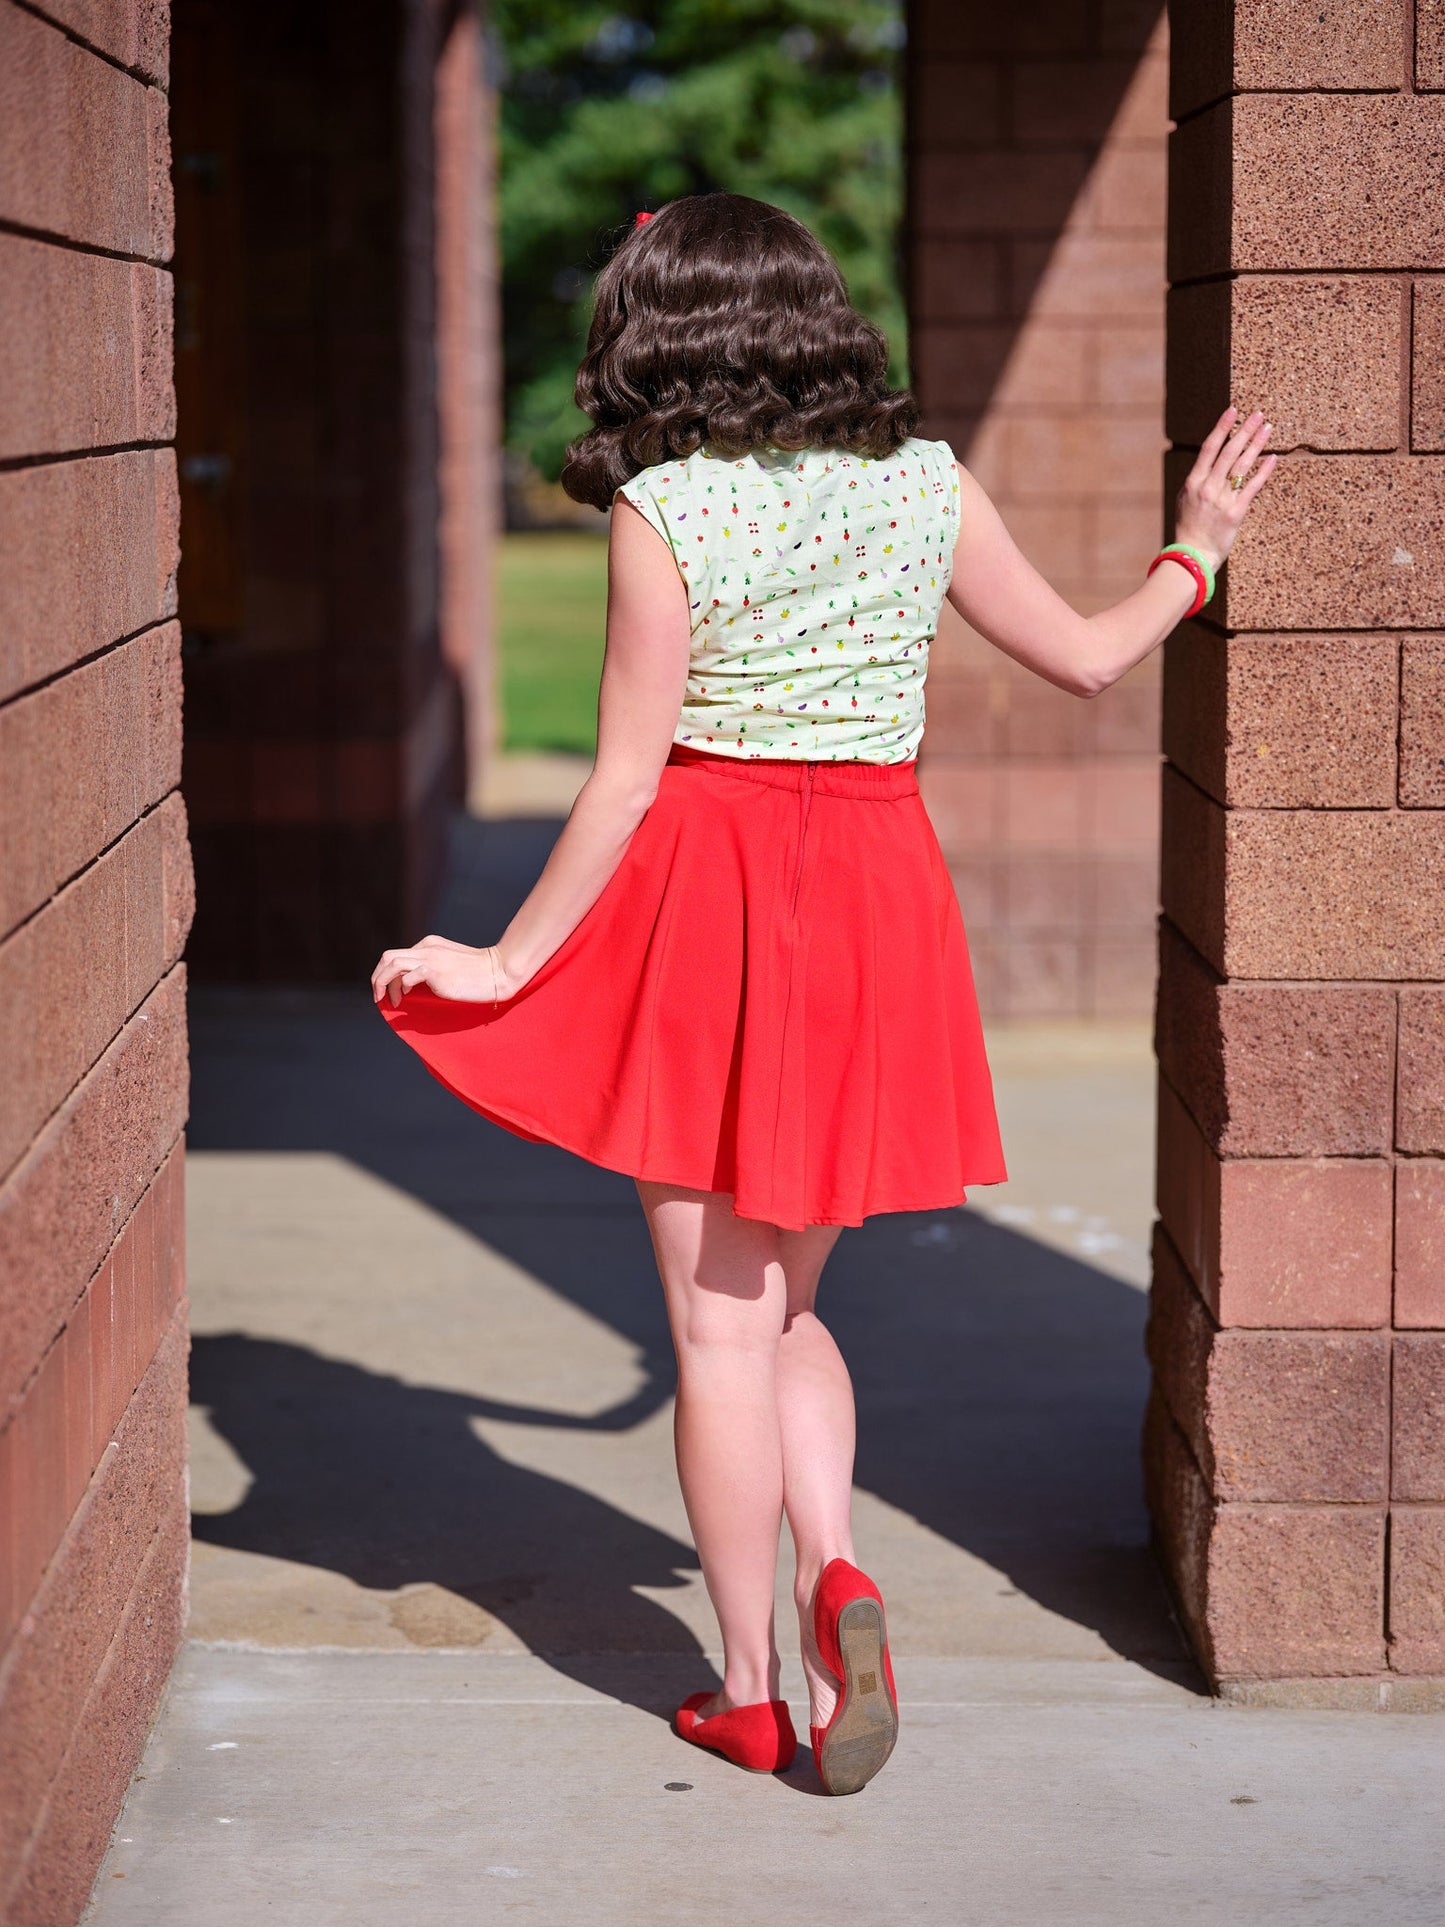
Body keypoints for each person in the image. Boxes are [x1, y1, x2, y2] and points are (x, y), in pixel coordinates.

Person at [370, 193, 1275, 1795]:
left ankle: (751, 1687)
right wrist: (1192, 555)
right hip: (873, 890)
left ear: (657, 332)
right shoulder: (920, 480)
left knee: (715, 1332)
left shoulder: (666, 510)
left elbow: (625, 786)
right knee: (786, 1303)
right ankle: (836, 1565)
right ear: (809, 312)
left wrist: (499, 959)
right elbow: (1078, 656)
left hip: (718, 890)